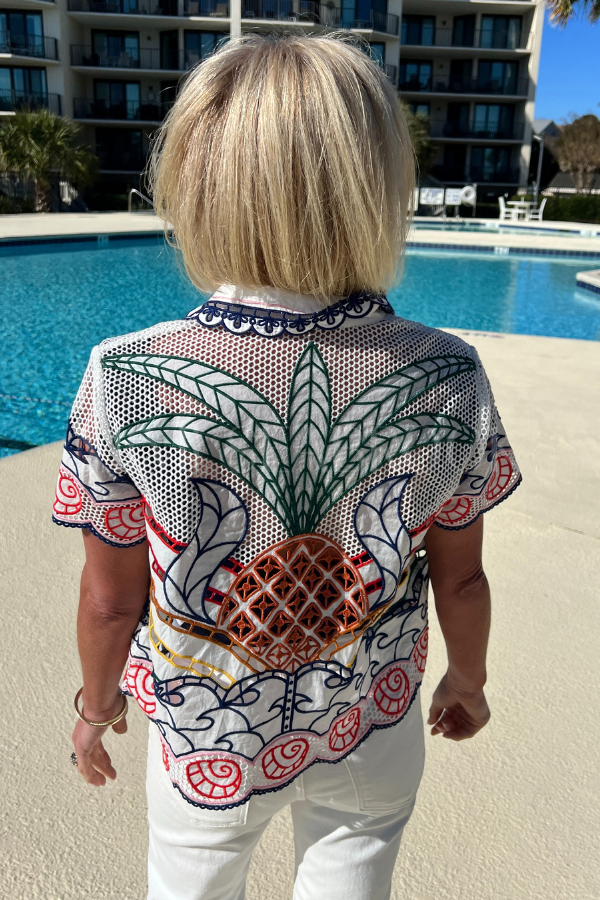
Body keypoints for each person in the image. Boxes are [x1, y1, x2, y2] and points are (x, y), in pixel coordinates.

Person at [54, 34, 521, 900]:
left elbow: (110, 599)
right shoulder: (448, 372)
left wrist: (95, 707)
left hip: (208, 743)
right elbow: (461, 579)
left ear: (198, 181)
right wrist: (468, 679)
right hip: (369, 724)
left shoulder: (125, 375)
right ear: (376, 184)